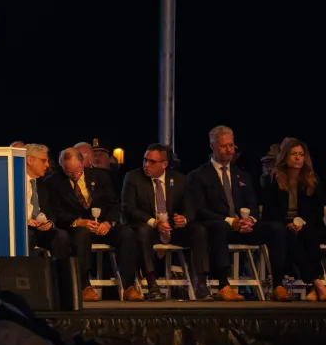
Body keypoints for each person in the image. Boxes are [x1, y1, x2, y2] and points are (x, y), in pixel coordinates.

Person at [186, 125, 292, 302]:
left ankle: (278, 284)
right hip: (217, 227)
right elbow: (199, 210)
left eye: (231, 145)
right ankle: (223, 285)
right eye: (223, 146)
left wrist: (249, 220)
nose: (229, 150)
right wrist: (230, 221)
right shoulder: (198, 176)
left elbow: (253, 206)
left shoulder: (242, 175)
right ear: (212, 146)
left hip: (242, 228)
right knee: (220, 227)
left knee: (276, 229)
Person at [44, 147, 140, 301]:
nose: (75, 175)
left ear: (83, 163)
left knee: (126, 233)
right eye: (69, 172)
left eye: (77, 170)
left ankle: (129, 285)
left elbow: (114, 204)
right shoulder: (53, 182)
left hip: (102, 225)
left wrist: (108, 223)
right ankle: (84, 286)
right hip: (78, 226)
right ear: (62, 167)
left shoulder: (100, 176)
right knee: (82, 235)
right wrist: (78, 222)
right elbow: (56, 212)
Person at [121, 143, 201, 301]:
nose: (146, 165)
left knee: (199, 230)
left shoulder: (179, 180)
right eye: (145, 160)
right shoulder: (133, 177)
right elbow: (128, 207)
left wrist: (183, 219)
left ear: (164, 164)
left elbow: (191, 208)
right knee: (143, 231)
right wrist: (154, 222)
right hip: (147, 226)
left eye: (152, 162)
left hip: (172, 227)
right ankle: (152, 284)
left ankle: (202, 283)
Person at [261, 137, 326, 300]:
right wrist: (287, 224)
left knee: (308, 234)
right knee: (290, 236)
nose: (298, 158)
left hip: (307, 224)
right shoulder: (274, 181)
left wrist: (301, 223)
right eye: (293, 154)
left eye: (301, 154)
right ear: (285, 157)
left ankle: (313, 285)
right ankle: (316, 282)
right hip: (282, 225)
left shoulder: (312, 180)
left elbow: (317, 213)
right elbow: (269, 213)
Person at [22, 144, 71, 260]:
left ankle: (59, 276)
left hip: (40, 228)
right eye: (43, 161)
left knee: (61, 236)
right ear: (30, 160)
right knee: (28, 236)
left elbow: (50, 210)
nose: (47, 165)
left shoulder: (42, 185)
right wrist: (25, 221)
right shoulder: (15, 182)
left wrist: (50, 223)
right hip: (23, 227)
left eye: (47, 161)